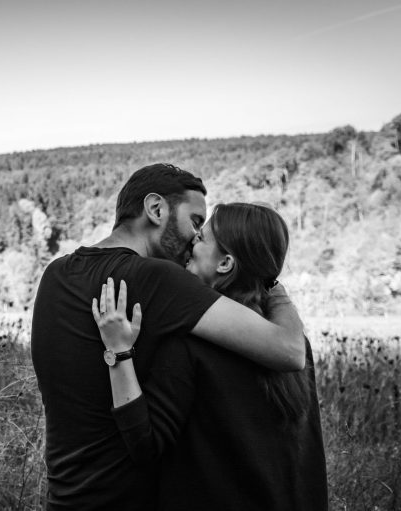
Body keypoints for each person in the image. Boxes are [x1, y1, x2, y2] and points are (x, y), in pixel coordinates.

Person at [31, 164, 306, 510]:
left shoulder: (56, 274)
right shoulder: (159, 279)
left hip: (65, 497)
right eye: (195, 221)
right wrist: (269, 280)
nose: (196, 237)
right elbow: (289, 349)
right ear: (156, 209)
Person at [92, 203, 328, 510]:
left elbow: (144, 444)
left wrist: (118, 351)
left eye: (202, 238)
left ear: (226, 263)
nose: (192, 241)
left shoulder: (191, 345)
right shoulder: (295, 342)